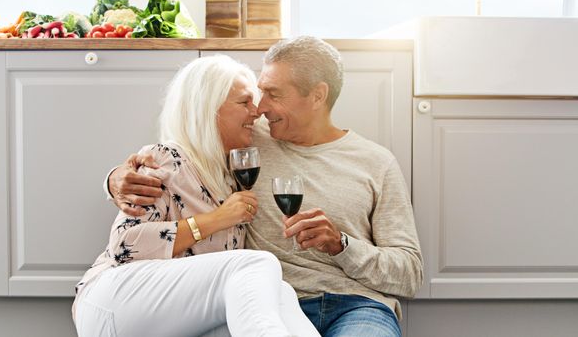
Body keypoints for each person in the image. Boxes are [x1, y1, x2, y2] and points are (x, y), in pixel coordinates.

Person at [108, 37, 422, 337]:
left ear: (317, 95)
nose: (260, 107)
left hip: (357, 307)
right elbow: (187, 141)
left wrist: (342, 245)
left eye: (274, 94)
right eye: (259, 93)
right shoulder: (247, 134)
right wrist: (116, 179)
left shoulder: (376, 163)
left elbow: (408, 274)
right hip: (266, 302)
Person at [74, 55, 319, 337]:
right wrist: (217, 219)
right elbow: (124, 244)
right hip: (115, 299)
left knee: (279, 291)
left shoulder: (229, 174)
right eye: (244, 102)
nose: (256, 112)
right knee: (257, 263)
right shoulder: (166, 159)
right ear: (208, 109)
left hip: (172, 314)